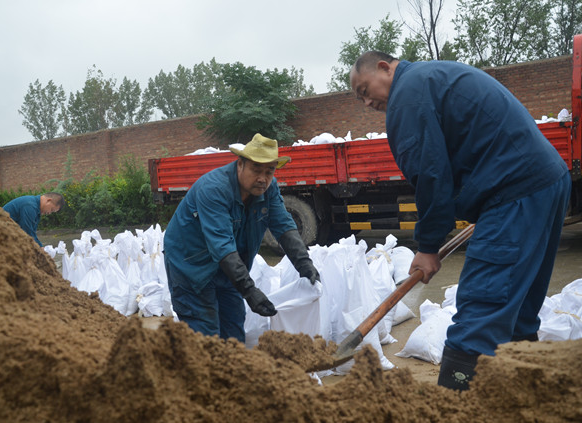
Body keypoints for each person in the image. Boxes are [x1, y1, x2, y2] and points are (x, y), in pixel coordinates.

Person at [350, 52, 571, 390]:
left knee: (481, 308)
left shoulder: (407, 94)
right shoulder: (431, 78)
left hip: (513, 191)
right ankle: (523, 396)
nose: (366, 101)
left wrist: (427, 246)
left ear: (385, 67)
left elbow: (430, 173)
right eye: (360, 97)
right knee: (519, 307)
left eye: (365, 89)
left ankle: (454, 403)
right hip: (543, 181)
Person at [163, 133, 320, 343]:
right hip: (191, 265)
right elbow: (221, 245)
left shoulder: (268, 188)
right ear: (240, 164)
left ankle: (229, 373)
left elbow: (283, 225)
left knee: (234, 329)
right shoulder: (214, 189)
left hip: (228, 266)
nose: (263, 178)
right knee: (204, 334)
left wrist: (304, 263)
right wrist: (249, 290)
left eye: (269, 171)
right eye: (256, 169)